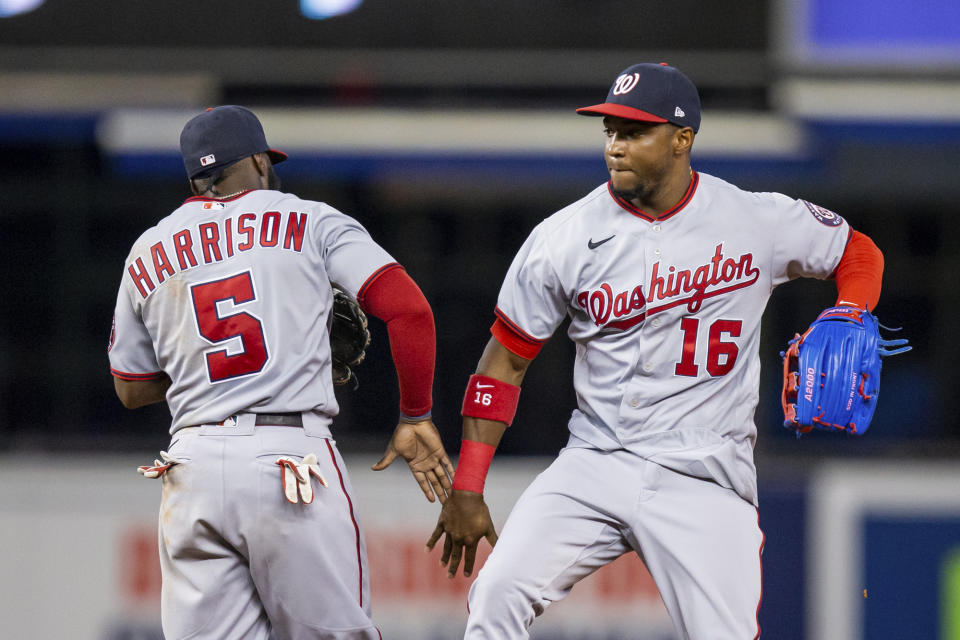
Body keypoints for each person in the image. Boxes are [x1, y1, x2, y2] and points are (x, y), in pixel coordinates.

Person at [427, 63, 887, 639]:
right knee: (495, 596)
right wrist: (468, 486)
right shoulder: (563, 237)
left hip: (706, 474)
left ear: (681, 139)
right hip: (595, 461)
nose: (615, 147)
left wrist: (853, 309)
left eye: (633, 132)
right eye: (610, 131)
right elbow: (505, 362)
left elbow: (858, 252)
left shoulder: (752, 218)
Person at [108, 105, 454, 640]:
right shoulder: (309, 219)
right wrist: (415, 414)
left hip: (191, 464)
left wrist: (200, 368)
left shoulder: (146, 250)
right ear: (258, 160)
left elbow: (130, 388)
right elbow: (409, 311)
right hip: (289, 457)